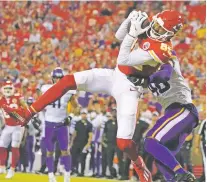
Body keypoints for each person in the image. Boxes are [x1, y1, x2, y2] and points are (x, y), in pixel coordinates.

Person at [2, 10, 184, 182]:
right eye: (157, 24)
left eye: (161, 29)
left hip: (130, 88)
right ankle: (28, 113)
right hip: (115, 75)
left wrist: (132, 35)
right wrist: (128, 21)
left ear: (170, 33)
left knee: (123, 143)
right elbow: (118, 37)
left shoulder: (163, 49)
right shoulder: (147, 25)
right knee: (66, 81)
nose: (156, 28)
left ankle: (138, 163)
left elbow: (124, 59)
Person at [143, 55, 198, 181]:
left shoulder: (165, 57)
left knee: (150, 141)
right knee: (161, 156)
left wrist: (146, 79)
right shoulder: (146, 70)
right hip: (177, 114)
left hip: (182, 108)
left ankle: (182, 173)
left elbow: (165, 75)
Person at [38, 67, 77, 182]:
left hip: (62, 124)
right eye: (56, 78)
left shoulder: (69, 90)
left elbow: (76, 107)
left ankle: (67, 174)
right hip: (49, 123)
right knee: (49, 151)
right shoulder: (45, 88)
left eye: (60, 78)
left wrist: (70, 117)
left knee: (65, 150)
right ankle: (51, 175)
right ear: (52, 78)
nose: (58, 80)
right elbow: (39, 104)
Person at [0, 80, 27, 179]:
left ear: (13, 89)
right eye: (6, 88)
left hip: (18, 126)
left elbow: (25, 107)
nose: (7, 90)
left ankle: (12, 169)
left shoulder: (18, 97)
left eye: (9, 88)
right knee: (1, 146)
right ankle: (2, 166)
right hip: (7, 126)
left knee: (14, 147)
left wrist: (23, 115)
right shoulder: (1, 99)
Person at [70, 109, 93, 176]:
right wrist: (71, 142)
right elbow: (75, 133)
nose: (83, 115)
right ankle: (74, 170)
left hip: (84, 143)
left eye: (85, 114)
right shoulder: (78, 123)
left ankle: (81, 172)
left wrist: (88, 144)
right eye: (82, 114)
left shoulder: (89, 124)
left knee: (83, 158)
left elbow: (90, 135)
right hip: (76, 143)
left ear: (86, 115)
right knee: (74, 157)